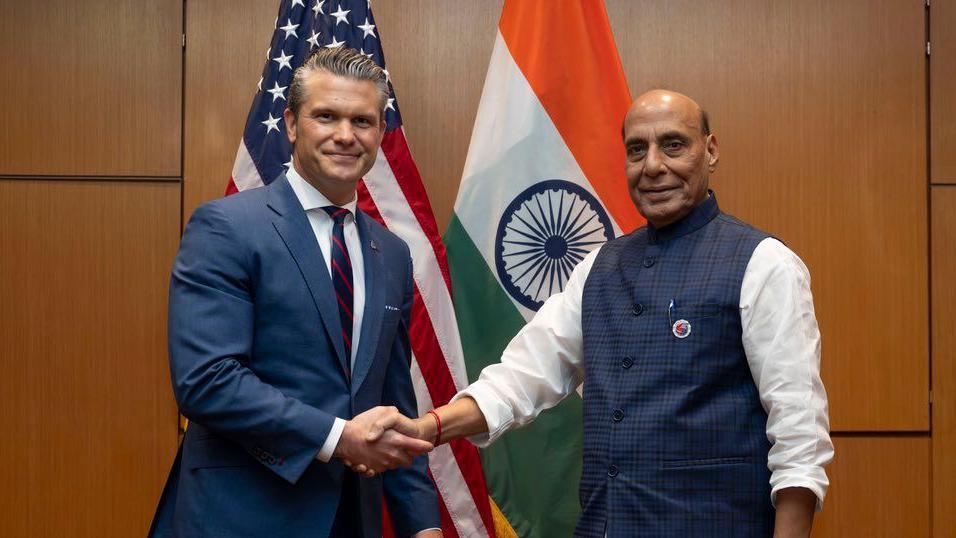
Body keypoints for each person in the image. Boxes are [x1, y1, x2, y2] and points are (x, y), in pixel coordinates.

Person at [361, 90, 834, 537]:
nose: (653, 166)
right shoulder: (597, 268)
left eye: (673, 145)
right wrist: (428, 427)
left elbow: (799, 438)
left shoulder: (764, 263)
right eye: (637, 149)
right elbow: (522, 378)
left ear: (709, 151)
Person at [148, 47, 441, 538]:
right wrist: (339, 438)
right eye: (326, 116)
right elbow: (207, 380)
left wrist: (424, 528)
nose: (345, 135)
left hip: (352, 520)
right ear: (290, 123)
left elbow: (394, 405)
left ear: (380, 134)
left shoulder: (391, 253)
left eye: (362, 121)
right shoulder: (227, 227)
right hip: (241, 518)